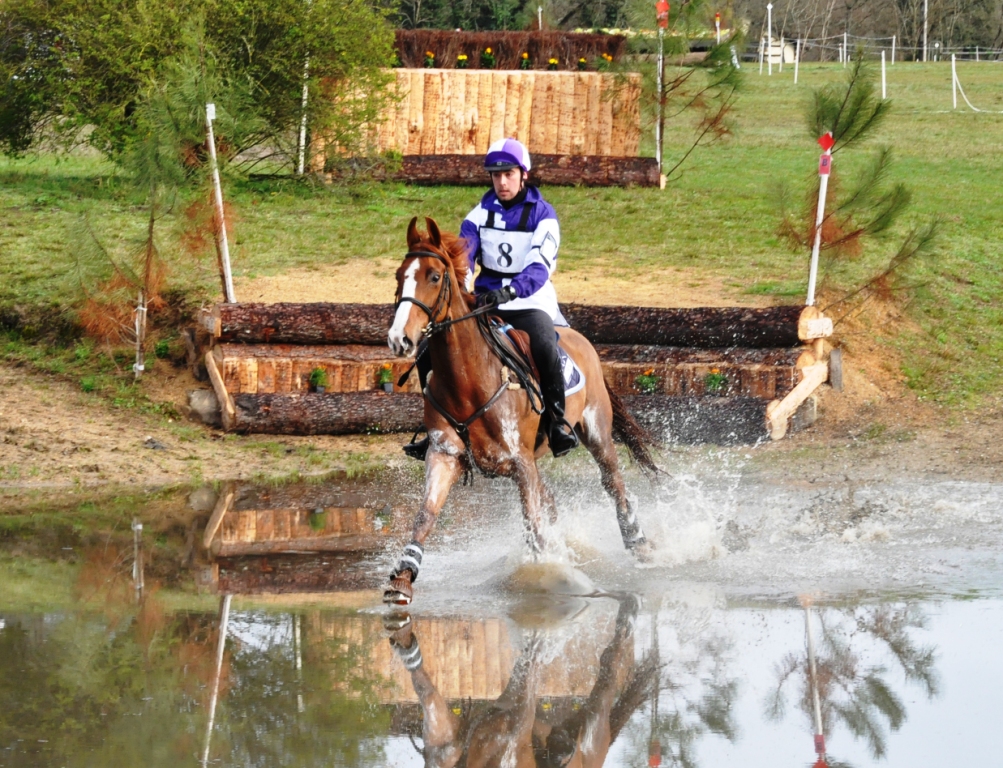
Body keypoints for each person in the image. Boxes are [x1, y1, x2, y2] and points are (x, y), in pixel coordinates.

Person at [403, 137, 579, 461]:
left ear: (523, 174)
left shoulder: (544, 215)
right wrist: (465, 289)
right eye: (496, 175)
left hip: (530, 301)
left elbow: (540, 267)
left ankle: (557, 424)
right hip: (484, 302)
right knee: (429, 348)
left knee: (543, 344)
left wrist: (511, 291)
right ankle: (435, 428)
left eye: (508, 174)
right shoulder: (478, 215)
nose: (502, 181)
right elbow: (464, 260)